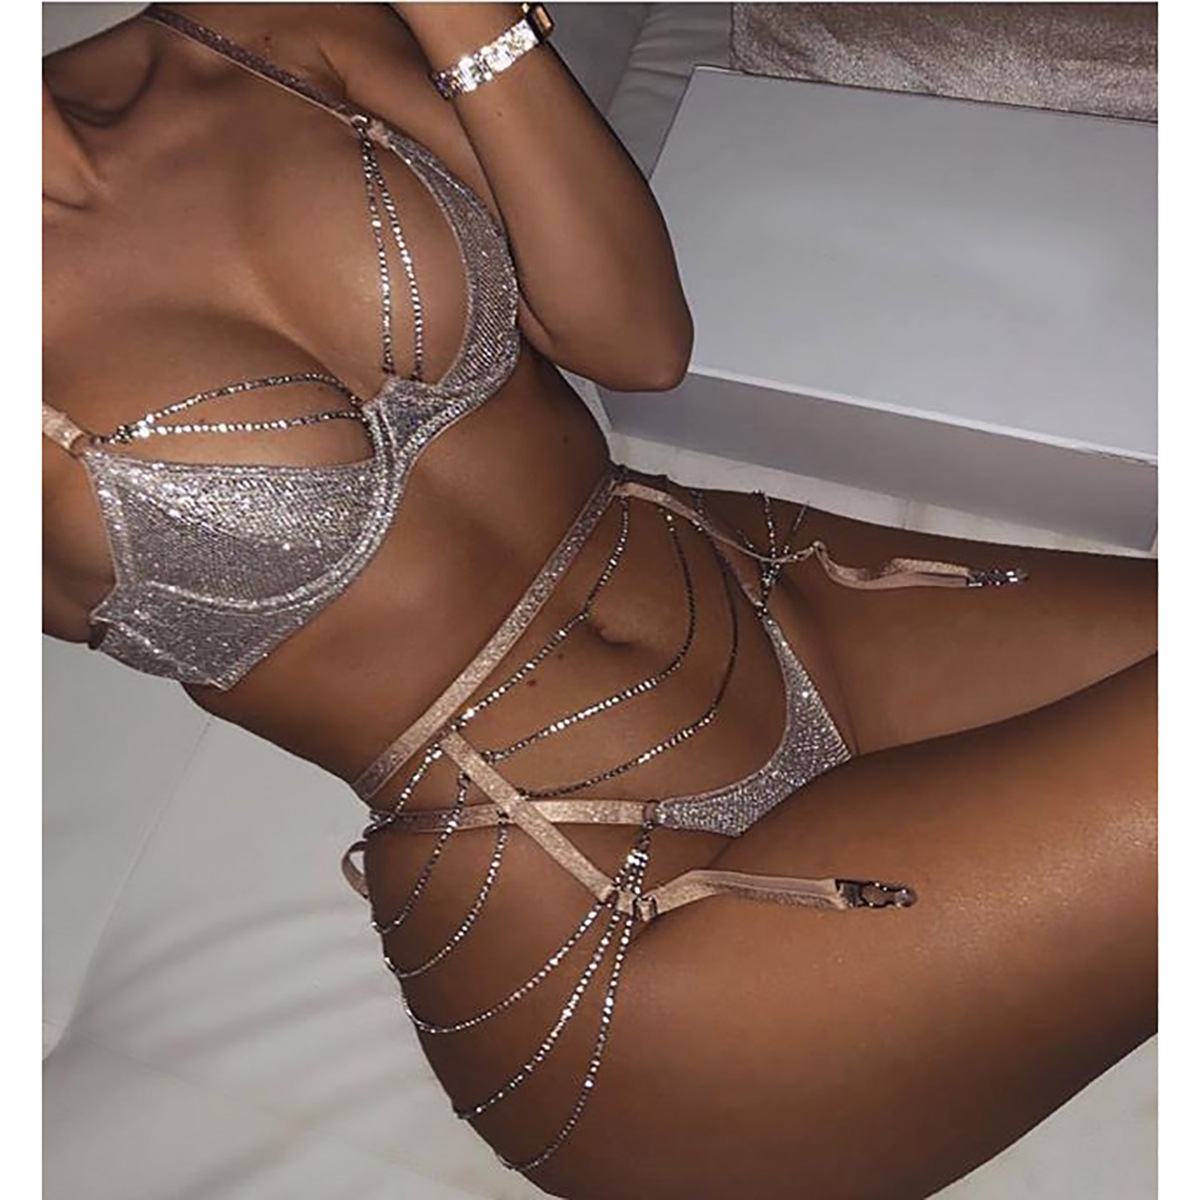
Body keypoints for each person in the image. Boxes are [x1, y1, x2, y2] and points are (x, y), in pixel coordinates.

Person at [42, 5, 1156, 1198]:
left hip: (784, 605)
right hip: (603, 934)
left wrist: (465, 15)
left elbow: (638, 343)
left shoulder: (266, 30)